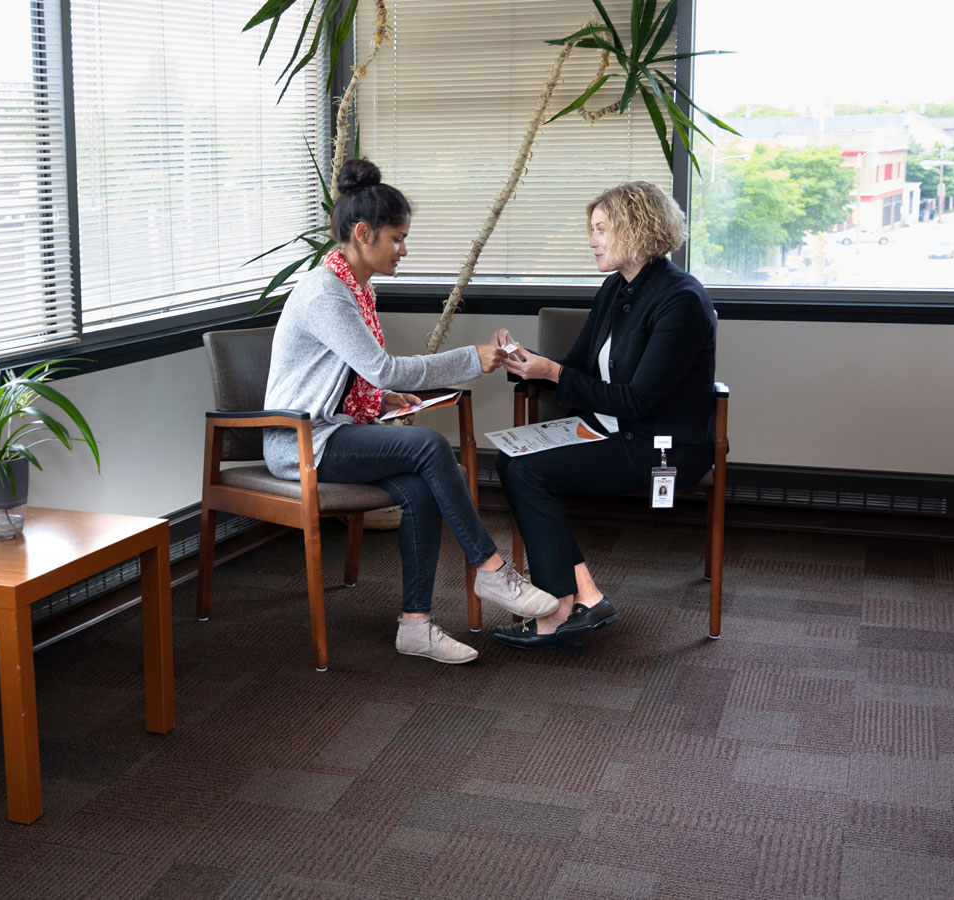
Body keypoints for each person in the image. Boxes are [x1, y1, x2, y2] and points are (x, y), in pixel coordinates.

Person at [263, 158, 558, 664]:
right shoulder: (325, 292)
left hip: (334, 431)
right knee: (428, 445)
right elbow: (382, 367)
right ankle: (491, 571)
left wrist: (382, 399)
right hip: (302, 441)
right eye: (397, 238)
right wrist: (470, 358)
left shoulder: (354, 287)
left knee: (422, 488)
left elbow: (352, 375)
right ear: (363, 233)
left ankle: (415, 626)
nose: (404, 248)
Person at [493, 181, 716, 650]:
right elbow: (573, 367)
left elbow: (638, 401)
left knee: (529, 473)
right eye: (591, 229)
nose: (591, 240)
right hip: (609, 428)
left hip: (662, 445)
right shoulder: (616, 287)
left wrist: (552, 372)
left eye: (600, 229)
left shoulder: (682, 301)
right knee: (509, 460)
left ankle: (556, 610)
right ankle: (587, 596)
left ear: (635, 229)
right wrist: (525, 362)